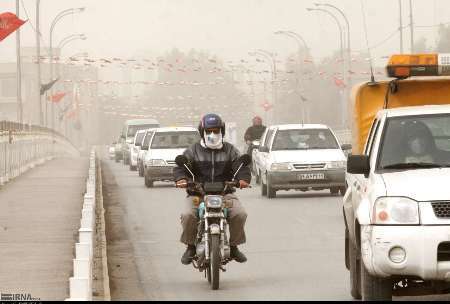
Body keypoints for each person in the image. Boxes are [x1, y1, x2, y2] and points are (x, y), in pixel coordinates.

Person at [173, 113, 251, 265]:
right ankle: (190, 247)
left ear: (222, 131)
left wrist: (243, 179)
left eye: (216, 130)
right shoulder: (192, 151)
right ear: (202, 132)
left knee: (240, 214)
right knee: (188, 215)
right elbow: (181, 168)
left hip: (225, 194)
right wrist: (181, 179)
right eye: (209, 131)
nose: (213, 134)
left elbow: (240, 167)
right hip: (198, 194)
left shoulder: (230, 150)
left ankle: (234, 247)